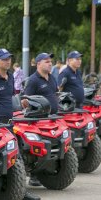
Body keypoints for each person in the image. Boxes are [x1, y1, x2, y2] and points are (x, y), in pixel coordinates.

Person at [0, 48, 40, 200]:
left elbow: (9, 97)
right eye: (4, 59)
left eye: (9, 58)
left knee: (16, 157)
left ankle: (20, 190)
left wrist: (21, 103)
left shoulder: (10, 77)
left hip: (9, 124)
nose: (8, 61)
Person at [22, 52, 59, 185]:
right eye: (47, 61)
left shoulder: (52, 78)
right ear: (38, 64)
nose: (50, 63)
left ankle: (48, 172)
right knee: (40, 147)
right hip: (38, 120)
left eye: (50, 61)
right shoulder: (33, 80)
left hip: (52, 118)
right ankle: (34, 175)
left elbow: (55, 93)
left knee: (54, 146)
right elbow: (25, 101)